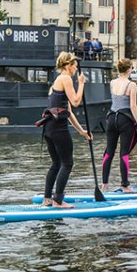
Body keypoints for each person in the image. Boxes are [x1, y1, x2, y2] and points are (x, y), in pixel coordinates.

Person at [41, 51, 92, 208]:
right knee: (67, 164)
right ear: (68, 66)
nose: (76, 70)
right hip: (58, 129)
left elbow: (68, 111)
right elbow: (76, 101)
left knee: (56, 163)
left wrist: (82, 131)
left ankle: (47, 199)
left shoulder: (56, 82)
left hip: (48, 128)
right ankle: (58, 201)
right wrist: (82, 83)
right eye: (75, 67)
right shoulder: (66, 78)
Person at [102, 59, 137, 192]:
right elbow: (132, 105)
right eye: (132, 68)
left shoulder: (112, 82)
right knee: (124, 153)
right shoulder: (131, 84)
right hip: (124, 120)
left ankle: (104, 185)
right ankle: (125, 185)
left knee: (109, 152)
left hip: (111, 119)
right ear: (128, 70)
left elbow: (120, 97)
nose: (132, 70)